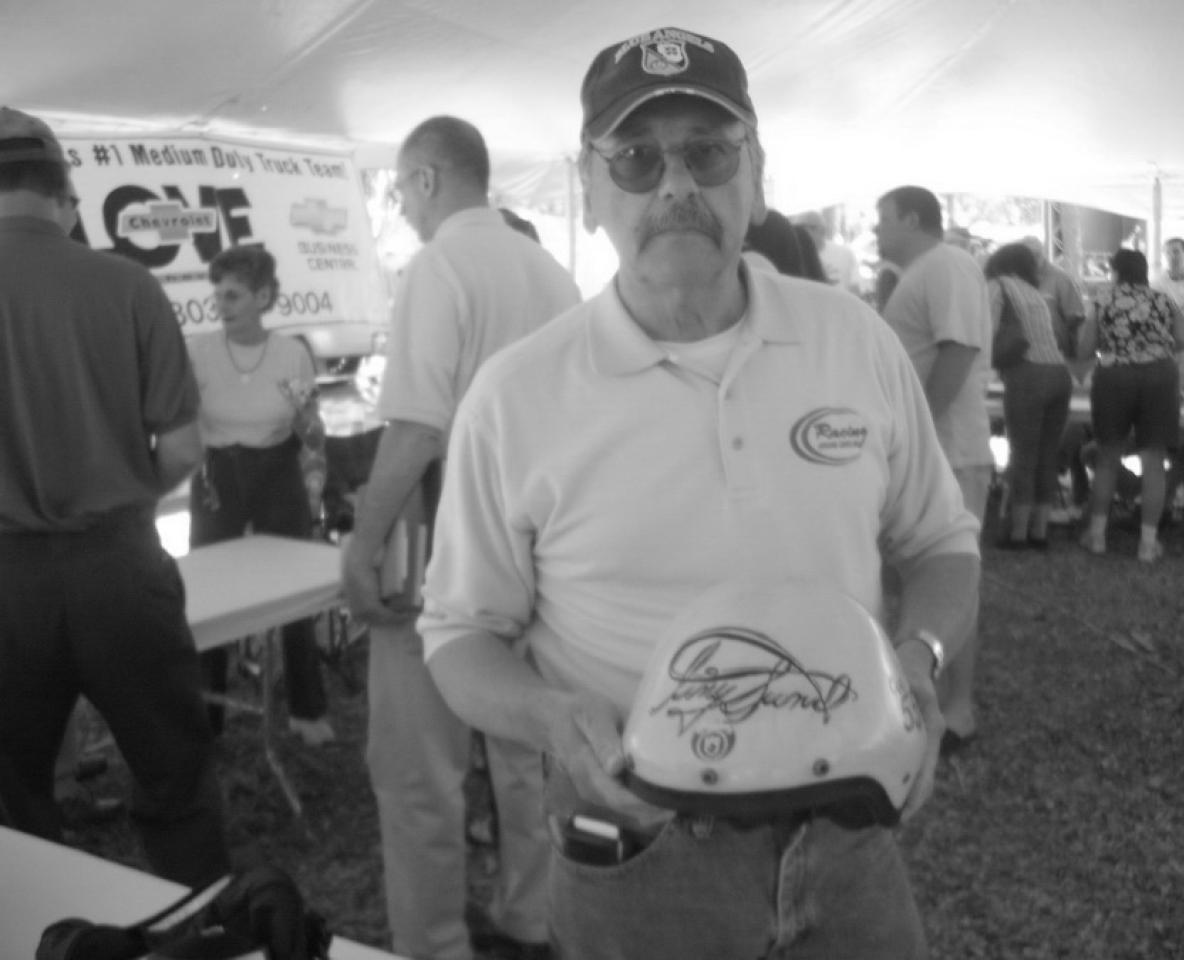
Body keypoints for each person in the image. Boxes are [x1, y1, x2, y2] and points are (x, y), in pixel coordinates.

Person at [420, 28, 980, 960]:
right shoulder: (515, 397)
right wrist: (554, 720)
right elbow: (457, 636)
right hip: (640, 846)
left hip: (849, 825)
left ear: (755, 176)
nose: (675, 184)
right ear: (590, 187)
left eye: (709, 153)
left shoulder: (854, 341)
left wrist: (917, 664)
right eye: (637, 159)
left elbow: (940, 543)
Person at [340, 116, 580, 960]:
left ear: (429, 179)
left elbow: (415, 429)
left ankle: (436, 942)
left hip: (445, 556)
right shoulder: (552, 274)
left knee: (419, 771)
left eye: (402, 189)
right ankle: (531, 919)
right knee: (526, 753)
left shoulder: (438, 268)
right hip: (544, 554)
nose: (402, 207)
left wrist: (362, 545)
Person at [0, 107, 231, 885]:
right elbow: (185, 448)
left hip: (7, 583)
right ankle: (201, 918)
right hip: (121, 565)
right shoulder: (128, 284)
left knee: (14, 799)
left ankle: (35, 925)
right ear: (62, 193)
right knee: (177, 779)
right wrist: (128, 492)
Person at [186, 245, 335, 746]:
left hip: (276, 471)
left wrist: (309, 439)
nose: (220, 305)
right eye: (217, 294)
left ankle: (307, 710)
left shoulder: (291, 354)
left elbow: (310, 431)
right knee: (208, 595)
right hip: (218, 476)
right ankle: (205, 718)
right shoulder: (199, 351)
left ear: (263, 297)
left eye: (232, 295)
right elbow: (182, 419)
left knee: (293, 590)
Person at [876, 184, 992, 752]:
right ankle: (921, 700)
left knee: (948, 574)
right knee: (918, 578)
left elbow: (958, 350)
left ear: (912, 218)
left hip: (949, 448)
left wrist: (916, 433)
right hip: (934, 449)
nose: (876, 231)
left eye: (883, 219)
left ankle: (957, 709)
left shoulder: (947, 265)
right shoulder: (925, 271)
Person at [1076, 248, 1184, 562]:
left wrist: (1114, 343)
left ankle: (1097, 536)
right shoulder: (1163, 299)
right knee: (1154, 461)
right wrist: (1155, 344)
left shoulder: (1102, 299)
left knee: (1107, 457)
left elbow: (1085, 348)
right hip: (1160, 375)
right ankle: (1148, 543)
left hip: (1114, 375)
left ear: (1115, 272)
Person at [985, 242, 1072, 547]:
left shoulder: (998, 286)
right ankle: (1040, 531)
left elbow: (986, 331)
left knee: (1023, 455)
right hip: (1059, 374)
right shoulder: (1035, 293)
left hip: (1027, 373)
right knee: (1047, 455)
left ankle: (1018, 533)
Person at [1022, 235, 1087, 359]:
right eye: (1027, 256)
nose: (1032, 260)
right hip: (1024, 353)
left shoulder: (1061, 278)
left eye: (1036, 255)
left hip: (1055, 352)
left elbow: (1076, 317)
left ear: (1043, 254)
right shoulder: (1017, 278)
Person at [793, 209, 859, 292]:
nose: (799, 233)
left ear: (822, 230)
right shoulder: (793, 256)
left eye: (806, 228)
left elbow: (855, 287)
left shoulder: (845, 254)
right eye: (796, 229)